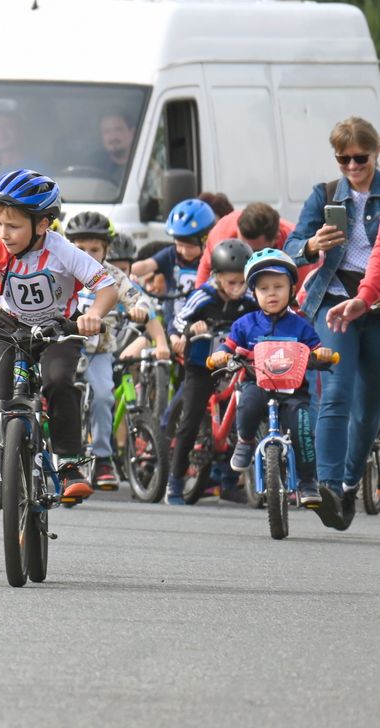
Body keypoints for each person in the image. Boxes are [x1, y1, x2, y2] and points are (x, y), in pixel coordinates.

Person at [0, 169, 117, 527]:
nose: (3, 233)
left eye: (13, 226)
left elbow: (107, 286)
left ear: (43, 225)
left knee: (58, 381)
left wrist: (94, 314)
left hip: (57, 329)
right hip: (10, 326)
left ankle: (68, 465)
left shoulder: (62, 250)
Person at [292, 116, 380, 529]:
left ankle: (347, 485)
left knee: (367, 409)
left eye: (359, 158)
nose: (351, 166)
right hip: (333, 300)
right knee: (336, 393)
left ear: (374, 154)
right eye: (343, 159)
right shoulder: (325, 194)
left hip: (375, 305)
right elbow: (291, 247)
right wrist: (312, 245)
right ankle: (326, 486)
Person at [208, 249, 334, 508]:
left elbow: (316, 348)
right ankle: (244, 441)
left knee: (301, 428)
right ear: (254, 292)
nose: (272, 293)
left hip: (292, 390)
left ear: (291, 289)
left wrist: (322, 353)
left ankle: (308, 481)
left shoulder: (300, 324)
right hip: (258, 382)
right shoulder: (245, 324)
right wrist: (222, 355)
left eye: (278, 286)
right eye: (264, 288)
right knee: (249, 401)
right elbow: (228, 346)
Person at [63, 212, 168, 490]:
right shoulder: (60, 271)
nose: (86, 255)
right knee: (58, 395)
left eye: (94, 250)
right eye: (79, 249)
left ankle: (102, 458)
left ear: (106, 250)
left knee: (102, 397)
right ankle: (56, 454)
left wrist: (139, 310)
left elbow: (138, 297)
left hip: (99, 352)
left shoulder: (113, 276)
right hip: (63, 349)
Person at [165, 239, 257, 505]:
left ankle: (229, 482)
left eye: (242, 282)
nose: (238, 289)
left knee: (243, 418)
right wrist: (186, 332)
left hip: (236, 365)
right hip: (202, 366)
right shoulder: (203, 296)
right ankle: (175, 482)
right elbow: (178, 321)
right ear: (216, 277)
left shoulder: (250, 299)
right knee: (190, 421)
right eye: (231, 283)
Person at [131, 198, 217, 317]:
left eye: (190, 247)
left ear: (205, 240)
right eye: (179, 245)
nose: (183, 251)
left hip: (204, 320)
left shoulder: (214, 259)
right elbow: (146, 265)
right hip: (173, 320)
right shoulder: (171, 255)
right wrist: (127, 272)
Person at [195, 202, 306, 287]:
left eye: (255, 252)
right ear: (237, 228)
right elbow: (205, 270)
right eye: (239, 245)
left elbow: (301, 303)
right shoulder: (221, 234)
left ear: (275, 238)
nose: (246, 255)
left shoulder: (297, 249)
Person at [92, 107, 136, 183]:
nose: (113, 137)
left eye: (118, 129)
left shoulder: (145, 165)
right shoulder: (93, 166)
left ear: (132, 132)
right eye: (107, 131)